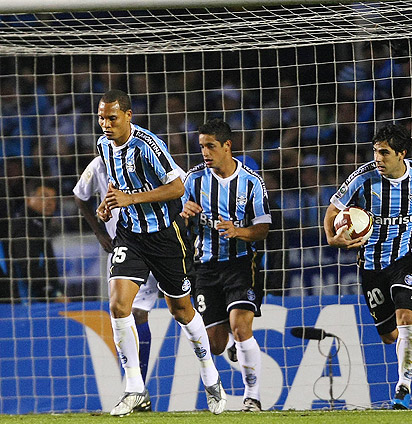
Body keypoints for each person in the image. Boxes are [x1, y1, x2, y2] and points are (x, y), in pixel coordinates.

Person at [95, 90, 226, 416]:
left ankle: (210, 376)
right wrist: (108, 202)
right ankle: (134, 388)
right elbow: (117, 183)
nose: (106, 124)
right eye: (101, 118)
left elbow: (177, 188)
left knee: (181, 311)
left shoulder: (148, 145)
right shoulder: (103, 146)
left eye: (112, 118)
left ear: (128, 115)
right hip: (130, 235)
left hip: (165, 237)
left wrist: (131, 199)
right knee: (118, 305)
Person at [323, 123, 412, 410]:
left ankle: (403, 388)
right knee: (389, 335)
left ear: (401, 153)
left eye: (384, 153)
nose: (377, 158)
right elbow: (332, 210)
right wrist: (332, 238)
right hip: (372, 266)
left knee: (406, 317)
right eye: (375, 151)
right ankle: (406, 350)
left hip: (410, 259)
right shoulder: (362, 178)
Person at [181, 119, 271, 412]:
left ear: (227, 146)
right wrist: (183, 214)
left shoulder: (251, 182)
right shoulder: (193, 180)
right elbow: (176, 221)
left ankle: (252, 397)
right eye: (201, 147)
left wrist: (238, 232)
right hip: (205, 267)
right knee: (215, 345)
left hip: (241, 264)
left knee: (241, 327)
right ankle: (231, 345)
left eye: (210, 146)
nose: (205, 153)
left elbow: (263, 228)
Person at [73, 156, 163, 385]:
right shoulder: (98, 165)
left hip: (157, 243)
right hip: (121, 247)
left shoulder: (146, 153)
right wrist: (99, 232)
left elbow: (180, 184)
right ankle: (137, 386)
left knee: (179, 309)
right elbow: (80, 196)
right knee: (127, 312)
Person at [9, 177, 65, 302]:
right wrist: (51, 293)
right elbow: (27, 267)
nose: (50, 202)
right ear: (28, 200)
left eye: (53, 198)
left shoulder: (40, 225)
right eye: (44, 196)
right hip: (28, 301)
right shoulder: (23, 226)